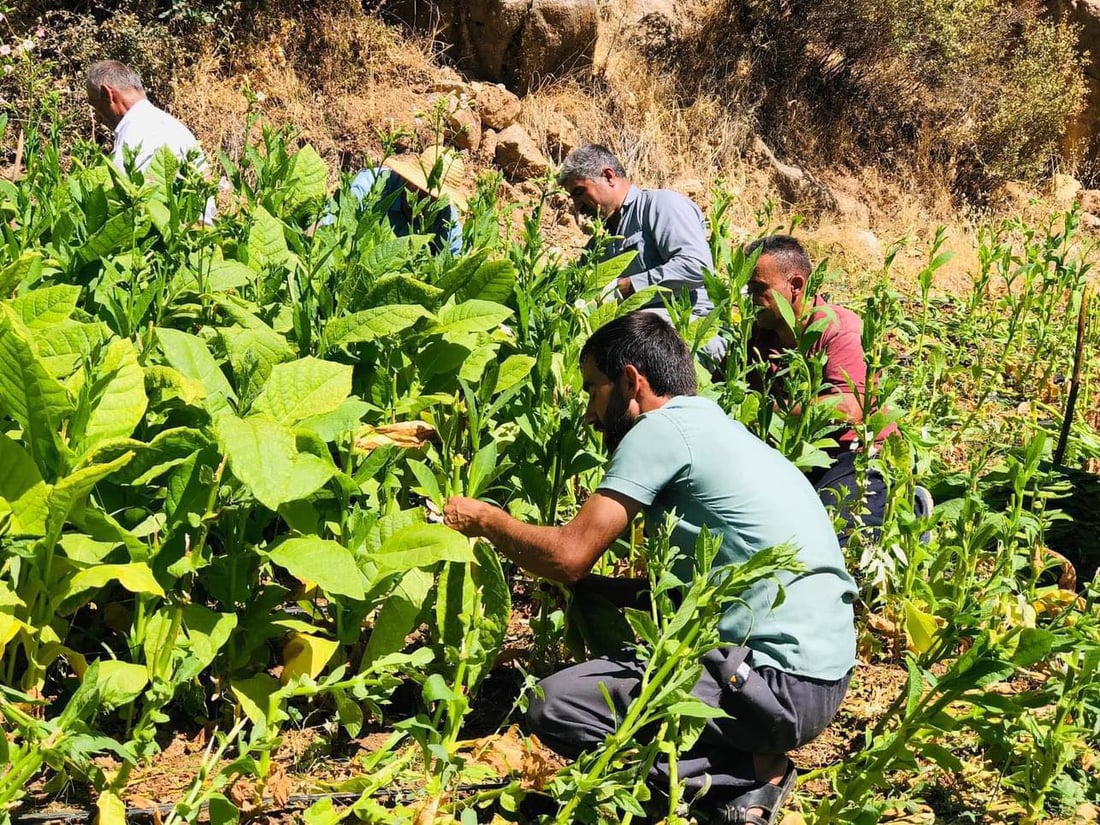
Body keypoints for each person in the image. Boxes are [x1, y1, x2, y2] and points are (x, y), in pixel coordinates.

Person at [444, 312, 856, 824]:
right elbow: (689, 595)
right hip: (820, 681)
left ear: (631, 381)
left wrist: (486, 520)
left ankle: (748, 773)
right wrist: (599, 590)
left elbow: (567, 554)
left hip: (774, 685)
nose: (591, 415)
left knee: (552, 705)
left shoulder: (659, 429)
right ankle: (740, 762)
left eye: (593, 389)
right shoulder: (718, 429)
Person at [744, 234, 899, 538]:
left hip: (853, 453)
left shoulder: (841, 330)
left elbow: (848, 409)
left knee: (829, 538)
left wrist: (769, 409)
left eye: (759, 289)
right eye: (748, 288)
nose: (751, 298)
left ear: (796, 286)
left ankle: (904, 507)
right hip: (791, 452)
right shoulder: (759, 333)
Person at [558, 144, 725, 364]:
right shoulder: (598, 243)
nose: (577, 206)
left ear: (608, 176)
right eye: (573, 198)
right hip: (636, 337)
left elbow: (696, 268)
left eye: (580, 192)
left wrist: (630, 287)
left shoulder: (661, 205)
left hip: (688, 332)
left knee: (623, 346)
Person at [332, 146, 466, 256]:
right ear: (408, 178)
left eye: (434, 197)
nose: (425, 198)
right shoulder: (371, 185)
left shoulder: (446, 216)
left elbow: (452, 263)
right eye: (419, 189)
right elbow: (332, 228)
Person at [86, 60, 206, 175]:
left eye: (96, 105)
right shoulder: (172, 125)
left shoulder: (133, 138)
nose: (98, 118)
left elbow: (126, 192)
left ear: (108, 94)